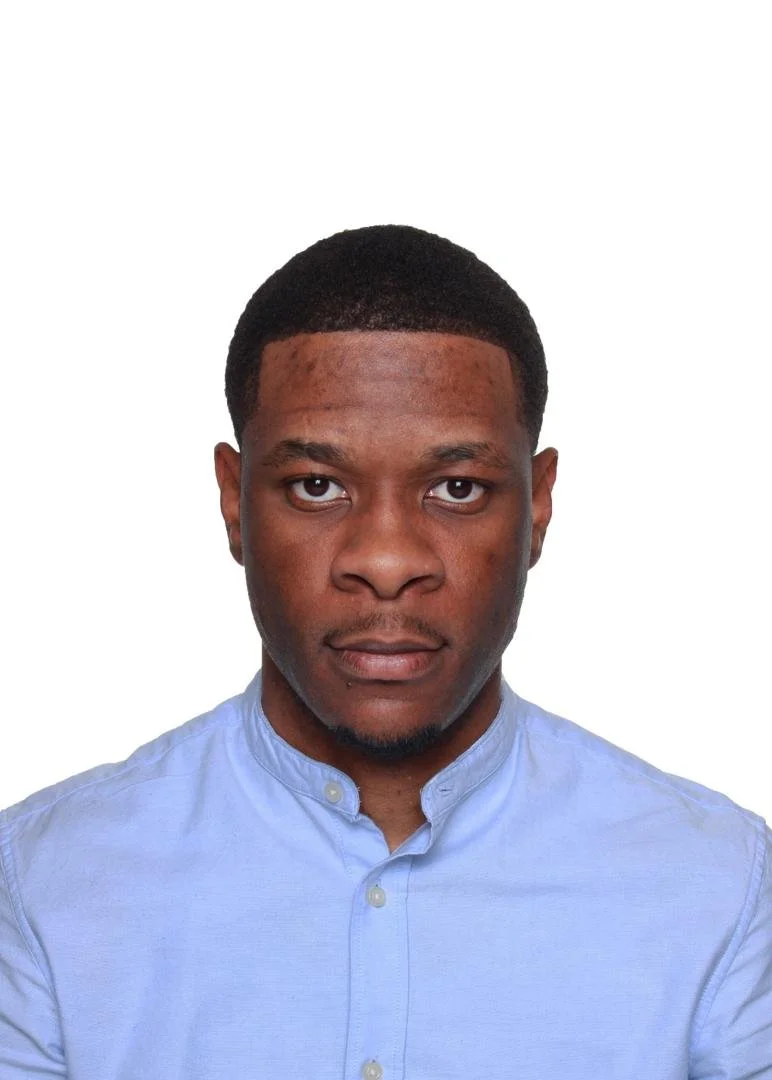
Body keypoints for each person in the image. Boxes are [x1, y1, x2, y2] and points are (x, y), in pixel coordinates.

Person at [1, 225, 769, 1079]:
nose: (388, 561)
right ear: (234, 501)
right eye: (317, 486)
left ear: (538, 506)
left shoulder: (720, 888)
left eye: (457, 488)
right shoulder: (43, 886)